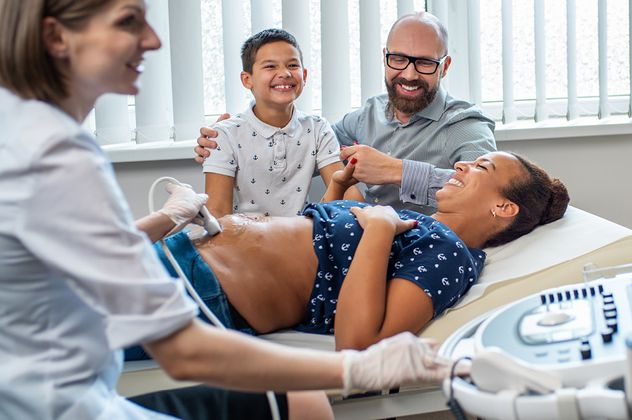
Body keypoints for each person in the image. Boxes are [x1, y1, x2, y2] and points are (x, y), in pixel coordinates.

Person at [0, 1, 456, 419]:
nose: (154, 40)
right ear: (57, 37)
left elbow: (77, 257)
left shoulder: (33, 131)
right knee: (307, 404)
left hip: (75, 376)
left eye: (424, 61)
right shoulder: (54, 153)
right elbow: (185, 351)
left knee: (304, 403)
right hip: (53, 403)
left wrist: (167, 217)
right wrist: (355, 370)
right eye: (127, 21)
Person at [126, 151, 569, 356]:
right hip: (183, 253)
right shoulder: (421, 224)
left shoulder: (451, 254)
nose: (460, 166)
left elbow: (360, 345)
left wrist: (376, 229)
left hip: (201, 291)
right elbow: (321, 252)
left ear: (503, 208)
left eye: (480, 167)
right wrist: (337, 194)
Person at [195, 12, 497, 214]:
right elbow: (292, 144)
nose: (408, 74)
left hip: (419, 246)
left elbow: (491, 195)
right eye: (399, 59)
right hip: (354, 244)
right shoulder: (361, 118)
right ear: (385, 58)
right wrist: (228, 141)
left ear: (444, 66)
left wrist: (397, 171)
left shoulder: (464, 124)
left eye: (425, 63)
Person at [203, 28, 362, 218]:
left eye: (292, 65)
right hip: (245, 241)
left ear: (304, 75)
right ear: (247, 80)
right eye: (270, 66)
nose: (285, 73)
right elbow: (217, 215)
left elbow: (348, 196)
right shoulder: (225, 134)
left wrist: (373, 219)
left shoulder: (318, 128)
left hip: (301, 236)